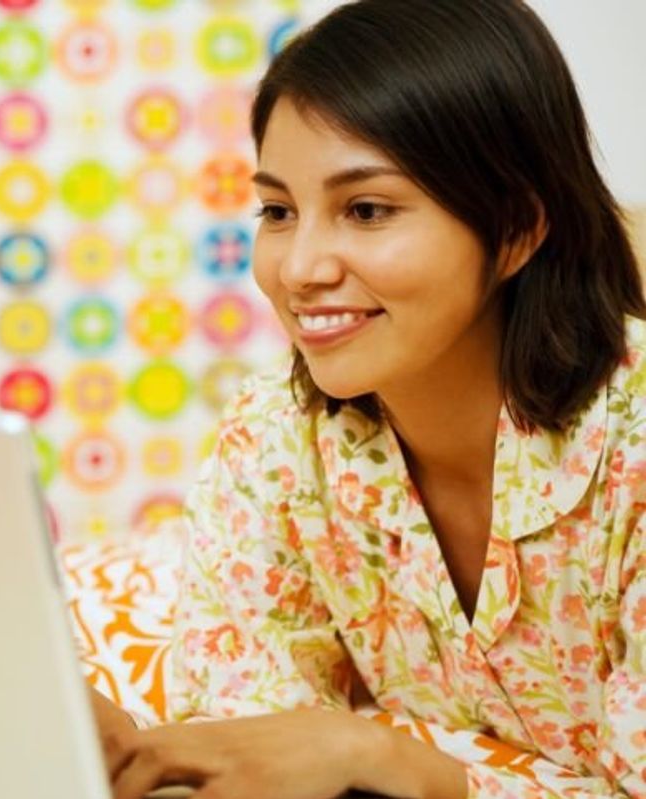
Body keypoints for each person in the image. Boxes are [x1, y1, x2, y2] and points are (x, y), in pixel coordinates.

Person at [88, 1, 646, 797]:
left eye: (367, 209)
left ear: (518, 228)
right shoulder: (272, 440)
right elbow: (255, 740)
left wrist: (397, 765)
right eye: (278, 211)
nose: (301, 268)